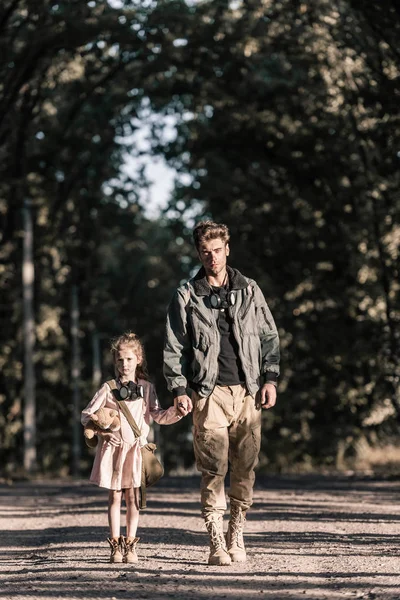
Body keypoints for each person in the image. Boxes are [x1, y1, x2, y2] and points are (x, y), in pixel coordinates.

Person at [163, 220, 280, 566]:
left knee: (245, 467)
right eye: (205, 252)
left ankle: (237, 531)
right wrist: (179, 389)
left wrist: (270, 379)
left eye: (217, 250)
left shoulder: (250, 290)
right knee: (213, 468)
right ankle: (216, 538)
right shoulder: (186, 295)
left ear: (227, 249)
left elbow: (269, 337)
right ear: (198, 253)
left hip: (248, 392)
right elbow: (173, 347)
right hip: (207, 394)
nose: (212, 257)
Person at [81, 331, 184, 564]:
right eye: (120, 360)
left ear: (138, 359)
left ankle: (131, 545)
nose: (124, 364)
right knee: (114, 496)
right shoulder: (108, 388)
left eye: (129, 359)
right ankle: (115, 546)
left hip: (135, 451)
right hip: (114, 450)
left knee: (133, 497)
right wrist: (104, 433)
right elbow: (87, 415)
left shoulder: (147, 388)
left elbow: (157, 415)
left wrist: (176, 412)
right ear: (115, 362)